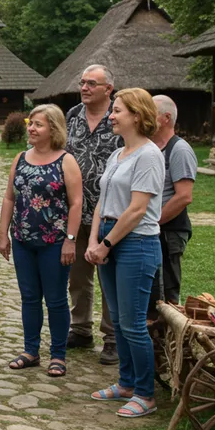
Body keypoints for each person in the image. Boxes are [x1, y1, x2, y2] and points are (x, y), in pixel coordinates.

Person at [86, 88, 165, 418]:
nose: (111, 116)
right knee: (118, 320)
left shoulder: (149, 155)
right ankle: (127, 383)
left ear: (137, 115)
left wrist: (106, 244)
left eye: (117, 111)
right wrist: (94, 241)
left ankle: (146, 393)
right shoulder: (118, 153)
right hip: (108, 237)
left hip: (135, 243)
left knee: (133, 323)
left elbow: (136, 210)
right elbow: (103, 202)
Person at [0, 105, 83, 378]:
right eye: (30, 123)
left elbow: (76, 202)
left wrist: (70, 240)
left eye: (38, 125)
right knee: (30, 298)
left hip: (54, 242)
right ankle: (30, 350)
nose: (31, 128)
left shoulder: (65, 160)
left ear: (53, 129)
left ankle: (58, 355)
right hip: (23, 240)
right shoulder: (21, 158)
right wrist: (3, 234)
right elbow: (10, 197)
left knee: (56, 299)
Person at [65, 64, 122, 365]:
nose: (84, 87)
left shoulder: (120, 116)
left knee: (108, 277)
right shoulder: (72, 116)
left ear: (108, 89)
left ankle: (112, 337)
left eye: (92, 83)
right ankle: (80, 329)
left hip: (111, 211)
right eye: (82, 82)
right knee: (77, 275)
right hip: (75, 210)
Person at [150, 95, 196, 308]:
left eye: (150, 112)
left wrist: (153, 222)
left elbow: (184, 196)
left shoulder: (179, 150)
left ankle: (168, 337)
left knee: (166, 292)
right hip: (152, 230)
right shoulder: (150, 148)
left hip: (169, 232)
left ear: (166, 118)